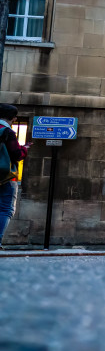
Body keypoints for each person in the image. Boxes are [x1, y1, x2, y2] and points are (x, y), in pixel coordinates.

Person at [0, 104, 29, 247]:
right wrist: (25, 148)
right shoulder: (7, 131)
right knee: (6, 209)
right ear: (13, 118)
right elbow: (17, 155)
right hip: (6, 176)